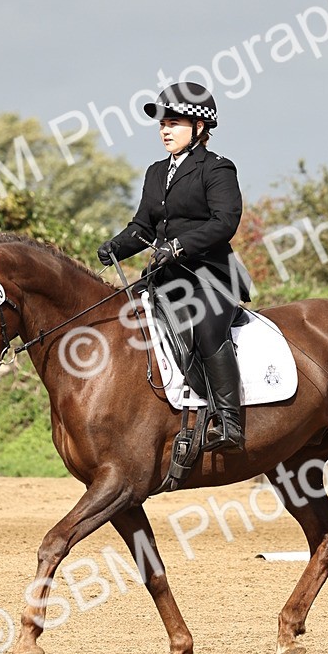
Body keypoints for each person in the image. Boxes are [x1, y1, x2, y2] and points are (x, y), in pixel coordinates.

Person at [98, 82, 250, 451]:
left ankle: (230, 421)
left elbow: (225, 221)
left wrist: (179, 246)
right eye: (162, 124)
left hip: (212, 278)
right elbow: (142, 227)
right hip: (164, 279)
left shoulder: (217, 168)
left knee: (207, 329)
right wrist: (116, 246)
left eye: (174, 123)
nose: (164, 130)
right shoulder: (154, 171)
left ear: (199, 128)